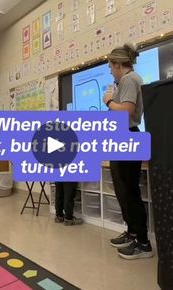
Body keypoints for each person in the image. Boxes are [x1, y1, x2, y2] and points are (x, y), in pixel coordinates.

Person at [103, 43, 153, 260]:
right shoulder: (126, 80)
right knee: (124, 191)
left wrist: (109, 102)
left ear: (118, 64)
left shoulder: (129, 79)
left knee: (130, 192)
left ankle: (143, 243)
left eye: (110, 67)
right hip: (123, 136)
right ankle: (133, 233)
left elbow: (127, 110)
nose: (110, 71)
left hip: (128, 135)